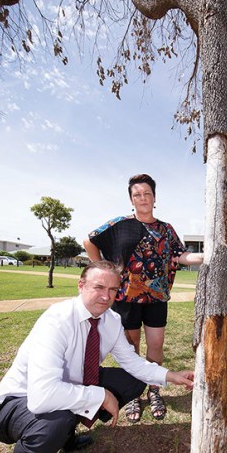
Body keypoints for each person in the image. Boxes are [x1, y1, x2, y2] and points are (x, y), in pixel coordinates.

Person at [0, 260, 194, 453]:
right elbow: (42, 396)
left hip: (68, 388)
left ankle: (67, 435)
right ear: (81, 285)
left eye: (113, 289)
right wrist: (99, 395)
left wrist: (171, 376)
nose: (106, 296)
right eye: (98, 287)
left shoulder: (111, 320)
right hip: (18, 402)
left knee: (132, 381)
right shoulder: (57, 320)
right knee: (54, 421)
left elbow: (132, 363)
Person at [83, 174, 203, 424]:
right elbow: (89, 240)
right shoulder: (120, 224)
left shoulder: (166, 229)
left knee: (156, 345)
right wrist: (102, 269)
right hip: (126, 299)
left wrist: (204, 257)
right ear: (131, 199)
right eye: (137, 194)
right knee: (131, 349)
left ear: (155, 198)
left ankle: (155, 389)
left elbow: (181, 255)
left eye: (147, 193)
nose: (143, 198)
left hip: (157, 298)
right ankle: (135, 394)